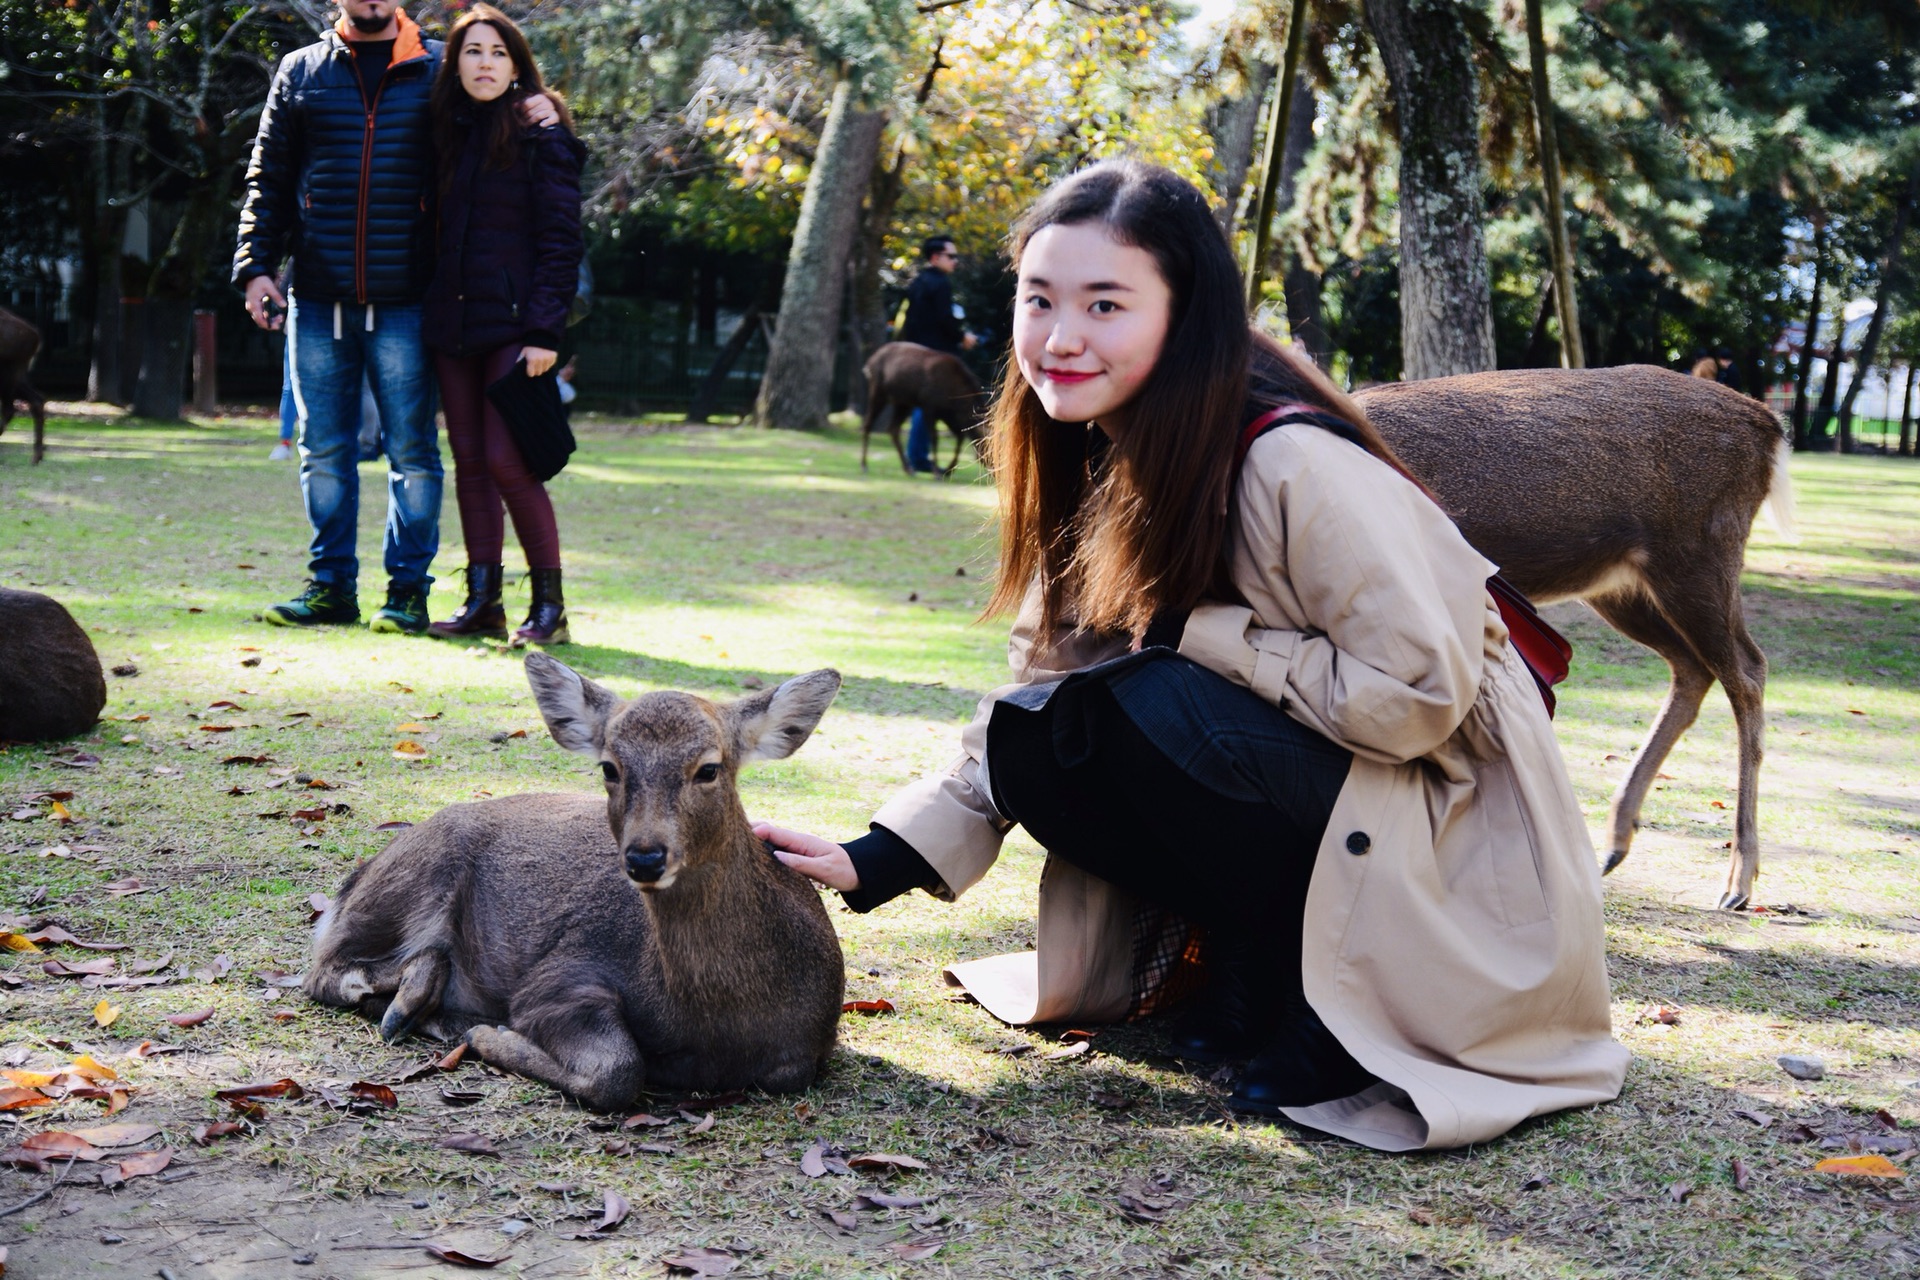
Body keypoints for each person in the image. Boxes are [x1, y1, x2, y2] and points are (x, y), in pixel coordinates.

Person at [757, 161, 1627, 1152]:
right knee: (1063, 733)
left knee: (1150, 699)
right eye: (1037, 299)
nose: (1060, 335)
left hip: (1439, 803)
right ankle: (1250, 960)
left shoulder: (1292, 458)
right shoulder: (1089, 449)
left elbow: (1416, 702)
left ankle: (1331, 1008)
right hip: (1304, 772)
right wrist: (882, 853)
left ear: (1187, 313)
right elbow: (1035, 699)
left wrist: (1206, 640)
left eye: (1105, 303)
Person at [233, 0, 555, 633]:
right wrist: (255, 267)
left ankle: (406, 592)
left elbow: (498, 111)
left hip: (410, 298)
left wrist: (542, 106)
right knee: (322, 451)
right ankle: (330, 589)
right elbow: (267, 175)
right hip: (318, 293)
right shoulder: (300, 71)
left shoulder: (439, 66)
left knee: (413, 453)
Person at [419, 4, 584, 646]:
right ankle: (482, 601)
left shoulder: (541, 133)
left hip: (517, 325)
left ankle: (550, 609)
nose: (484, 64)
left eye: (497, 53)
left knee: (507, 461)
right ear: (454, 63)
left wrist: (546, 331)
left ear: (517, 66)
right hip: (452, 322)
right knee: (469, 463)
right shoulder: (444, 129)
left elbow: (561, 239)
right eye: (472, 52)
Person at [896, 235, 977, 474]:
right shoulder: (939, 283)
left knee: (925, 404)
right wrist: (962, 337)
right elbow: (943, 319)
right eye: (951, 256)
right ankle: (919, 458)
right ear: (935, 257)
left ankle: (918, 456)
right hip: (937, 356)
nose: (955, 261)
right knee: (929, 405)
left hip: (918, 353)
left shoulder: (919, 281)